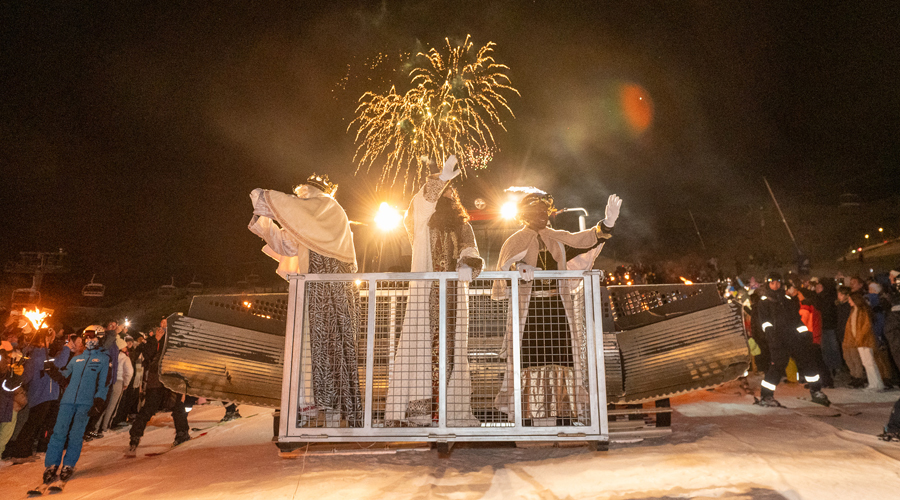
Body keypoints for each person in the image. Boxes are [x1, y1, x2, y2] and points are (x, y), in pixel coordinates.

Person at [492, 188, 621, 424]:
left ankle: (563, 417)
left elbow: (583, 241)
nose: (543, 215)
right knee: (529, 360)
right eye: (537, 211)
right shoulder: (514, 240)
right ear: (525, 214)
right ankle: (528, 419)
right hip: (529, 312)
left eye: (545, 211)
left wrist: (606, 225)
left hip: (557, 308)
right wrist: (517, 269)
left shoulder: (557, 237)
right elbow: (504, 267)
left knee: (563, 358)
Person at [248, 173, 361, 426]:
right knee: (309, 346)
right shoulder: (310, 220)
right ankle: (312, 406)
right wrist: (266, 221)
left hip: (332, 287)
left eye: (302, 194)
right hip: (312, 290)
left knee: (332, 344)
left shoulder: (328, 207)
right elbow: (286, 246)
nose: (299, 198)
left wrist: (266, 198)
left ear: (312, 192)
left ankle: (336, 409)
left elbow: (295, 210)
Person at [385, 155, 484, 427]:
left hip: (451, 296)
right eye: (444, 191)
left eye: (451, 192)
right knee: (422, 348)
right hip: (427, 294)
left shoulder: (462, 224)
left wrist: (467, 262)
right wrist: (439, 178)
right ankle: (421, 413)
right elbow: (422, 202)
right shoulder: (420, 222)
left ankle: (450, 411)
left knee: (451, 350)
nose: (448, 195)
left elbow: (469, 247)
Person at [40, 326, 109, 486]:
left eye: (93, 337)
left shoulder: (104, 360)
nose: (89, 340)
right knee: (58, 433)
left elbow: (104, 384)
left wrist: (99, 401)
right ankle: (51, 465)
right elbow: (64, 376)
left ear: (100, 339)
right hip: (68, 401)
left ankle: (69, 464)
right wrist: (53, 371)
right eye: (87, 337)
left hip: (85, 403)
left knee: (76, 435)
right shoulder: (76, 359)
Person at [755, 272, 830, 407]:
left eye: (778, 282)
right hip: (778, 341)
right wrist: (771, 334)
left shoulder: (788, 300)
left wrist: (804, 333)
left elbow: (797, 320)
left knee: (808, 363)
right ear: (768, 284)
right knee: (776, 368)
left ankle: (816, 391)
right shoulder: (764, 302)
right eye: (772, 283)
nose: (775, 285)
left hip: (794, 338)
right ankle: (766, 396)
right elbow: (765, 322)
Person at [128, 320, 191, 454]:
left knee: (178, 406)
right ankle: (135, 435)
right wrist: (156, 339)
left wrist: (183, 382)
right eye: (162, 323)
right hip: (156, 378)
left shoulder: (178, 339)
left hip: (173, 377)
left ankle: (182, 432)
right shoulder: (153, 340)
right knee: (149, 407)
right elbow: (146, 355)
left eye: (167, 323)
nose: (164, 326)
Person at [90, 336, 133, 437]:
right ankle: (105, 427)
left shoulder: (112, 355)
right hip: (119, 381)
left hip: (109, 381)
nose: (127, 348)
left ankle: (96, 426)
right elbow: (129, 372)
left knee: (105, 405)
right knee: (112, 406)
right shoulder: (125, 358)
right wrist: (126, 383)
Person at [845, 293, 885, 391]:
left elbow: (866, 326)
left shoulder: (863, 311)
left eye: (850, 299)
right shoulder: (854, 311)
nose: (849, 301)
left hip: (865, 341)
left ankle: (875, 384)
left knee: (869, 362)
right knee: (867, 363)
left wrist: (860, 337)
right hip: (859, 341)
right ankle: (876, 384)